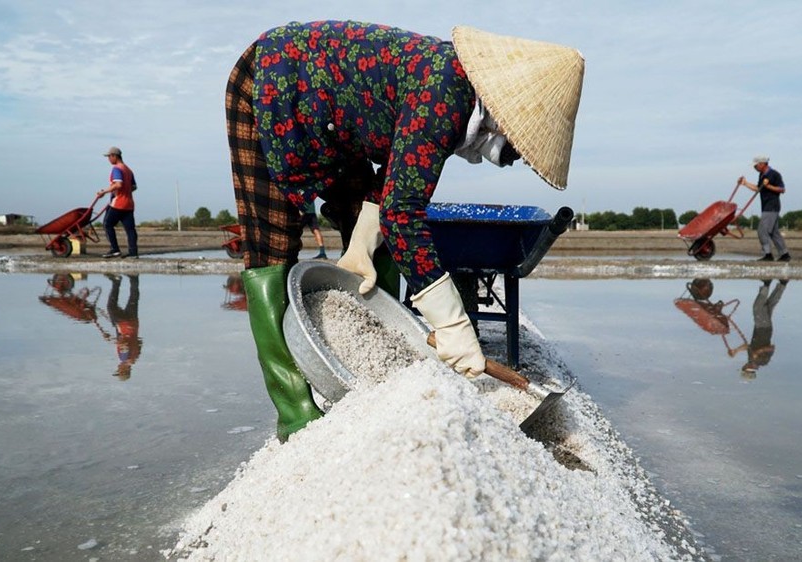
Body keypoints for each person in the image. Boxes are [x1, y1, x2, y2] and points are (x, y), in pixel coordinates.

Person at [226, 20, 584, 441]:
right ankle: (296, 416)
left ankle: (378, 374)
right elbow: (403, 214)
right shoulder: (445, 93)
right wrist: (452, 326)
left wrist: (361, 241)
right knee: (270, 243)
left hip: (327, 116)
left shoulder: (454, 93)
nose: (513, 157)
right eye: (519, 149)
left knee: (376, 238)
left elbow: (396, 183)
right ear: (508, 117)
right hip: (272, 85)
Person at [738, 156, 790, 262]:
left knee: (762, 230)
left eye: (756, 166)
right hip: (766, 206)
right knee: (774, 232)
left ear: (762, 164)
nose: (755, 168)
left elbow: (782, 189)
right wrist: (745, 183)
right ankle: (785, 254)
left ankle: (768, 254)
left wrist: (769, 186)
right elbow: (759, 189)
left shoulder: (774, 174)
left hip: (772, 206)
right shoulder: (762, 175)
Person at [96, 146, 138, 258]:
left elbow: (118, 184)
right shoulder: (128, 170)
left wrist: (104, 192)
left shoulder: (117, 169)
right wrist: (125, 192)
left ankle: (115, 249)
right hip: (129, 204)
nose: (108, 159)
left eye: (109, 156)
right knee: (130, 229)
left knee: (107, 224)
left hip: (118, 203)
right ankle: (133, 253)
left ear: (114, 156)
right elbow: (133, 187)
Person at [740, 278, 788, 377]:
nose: (744, 365)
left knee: (769, 305)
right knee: (757, 307)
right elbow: (772, 348)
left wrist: (735, 351)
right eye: (744, 368)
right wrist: (759, 352)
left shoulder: (751, 358)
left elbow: (748, 347)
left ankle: (782, 283)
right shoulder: (763, 362)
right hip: (764, 329)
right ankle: (767, 284)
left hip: (760, 328)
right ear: (748, 368)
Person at [105, 273, 142, 380]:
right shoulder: (124, 357)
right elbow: (124, 344)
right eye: (119, 370)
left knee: (133, 298)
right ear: (124, 370)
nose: (118, 367)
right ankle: (116, 282)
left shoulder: (135, 357)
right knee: (111, 307)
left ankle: (134, 278)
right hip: (124, 324)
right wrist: (111, 339)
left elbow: (140, 342)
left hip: (134, 324)